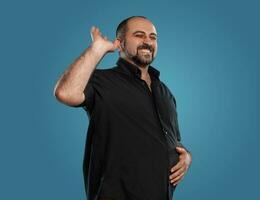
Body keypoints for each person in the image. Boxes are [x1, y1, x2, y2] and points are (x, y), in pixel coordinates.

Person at [54, 16, 192, 200]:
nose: (147, 42)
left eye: (153, 37)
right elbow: (65, 93)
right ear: (120, 43)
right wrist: (96, 50)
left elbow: (171, 139)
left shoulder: (164, 92)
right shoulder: (101, 81)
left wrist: (186, 156)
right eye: (139, 35)